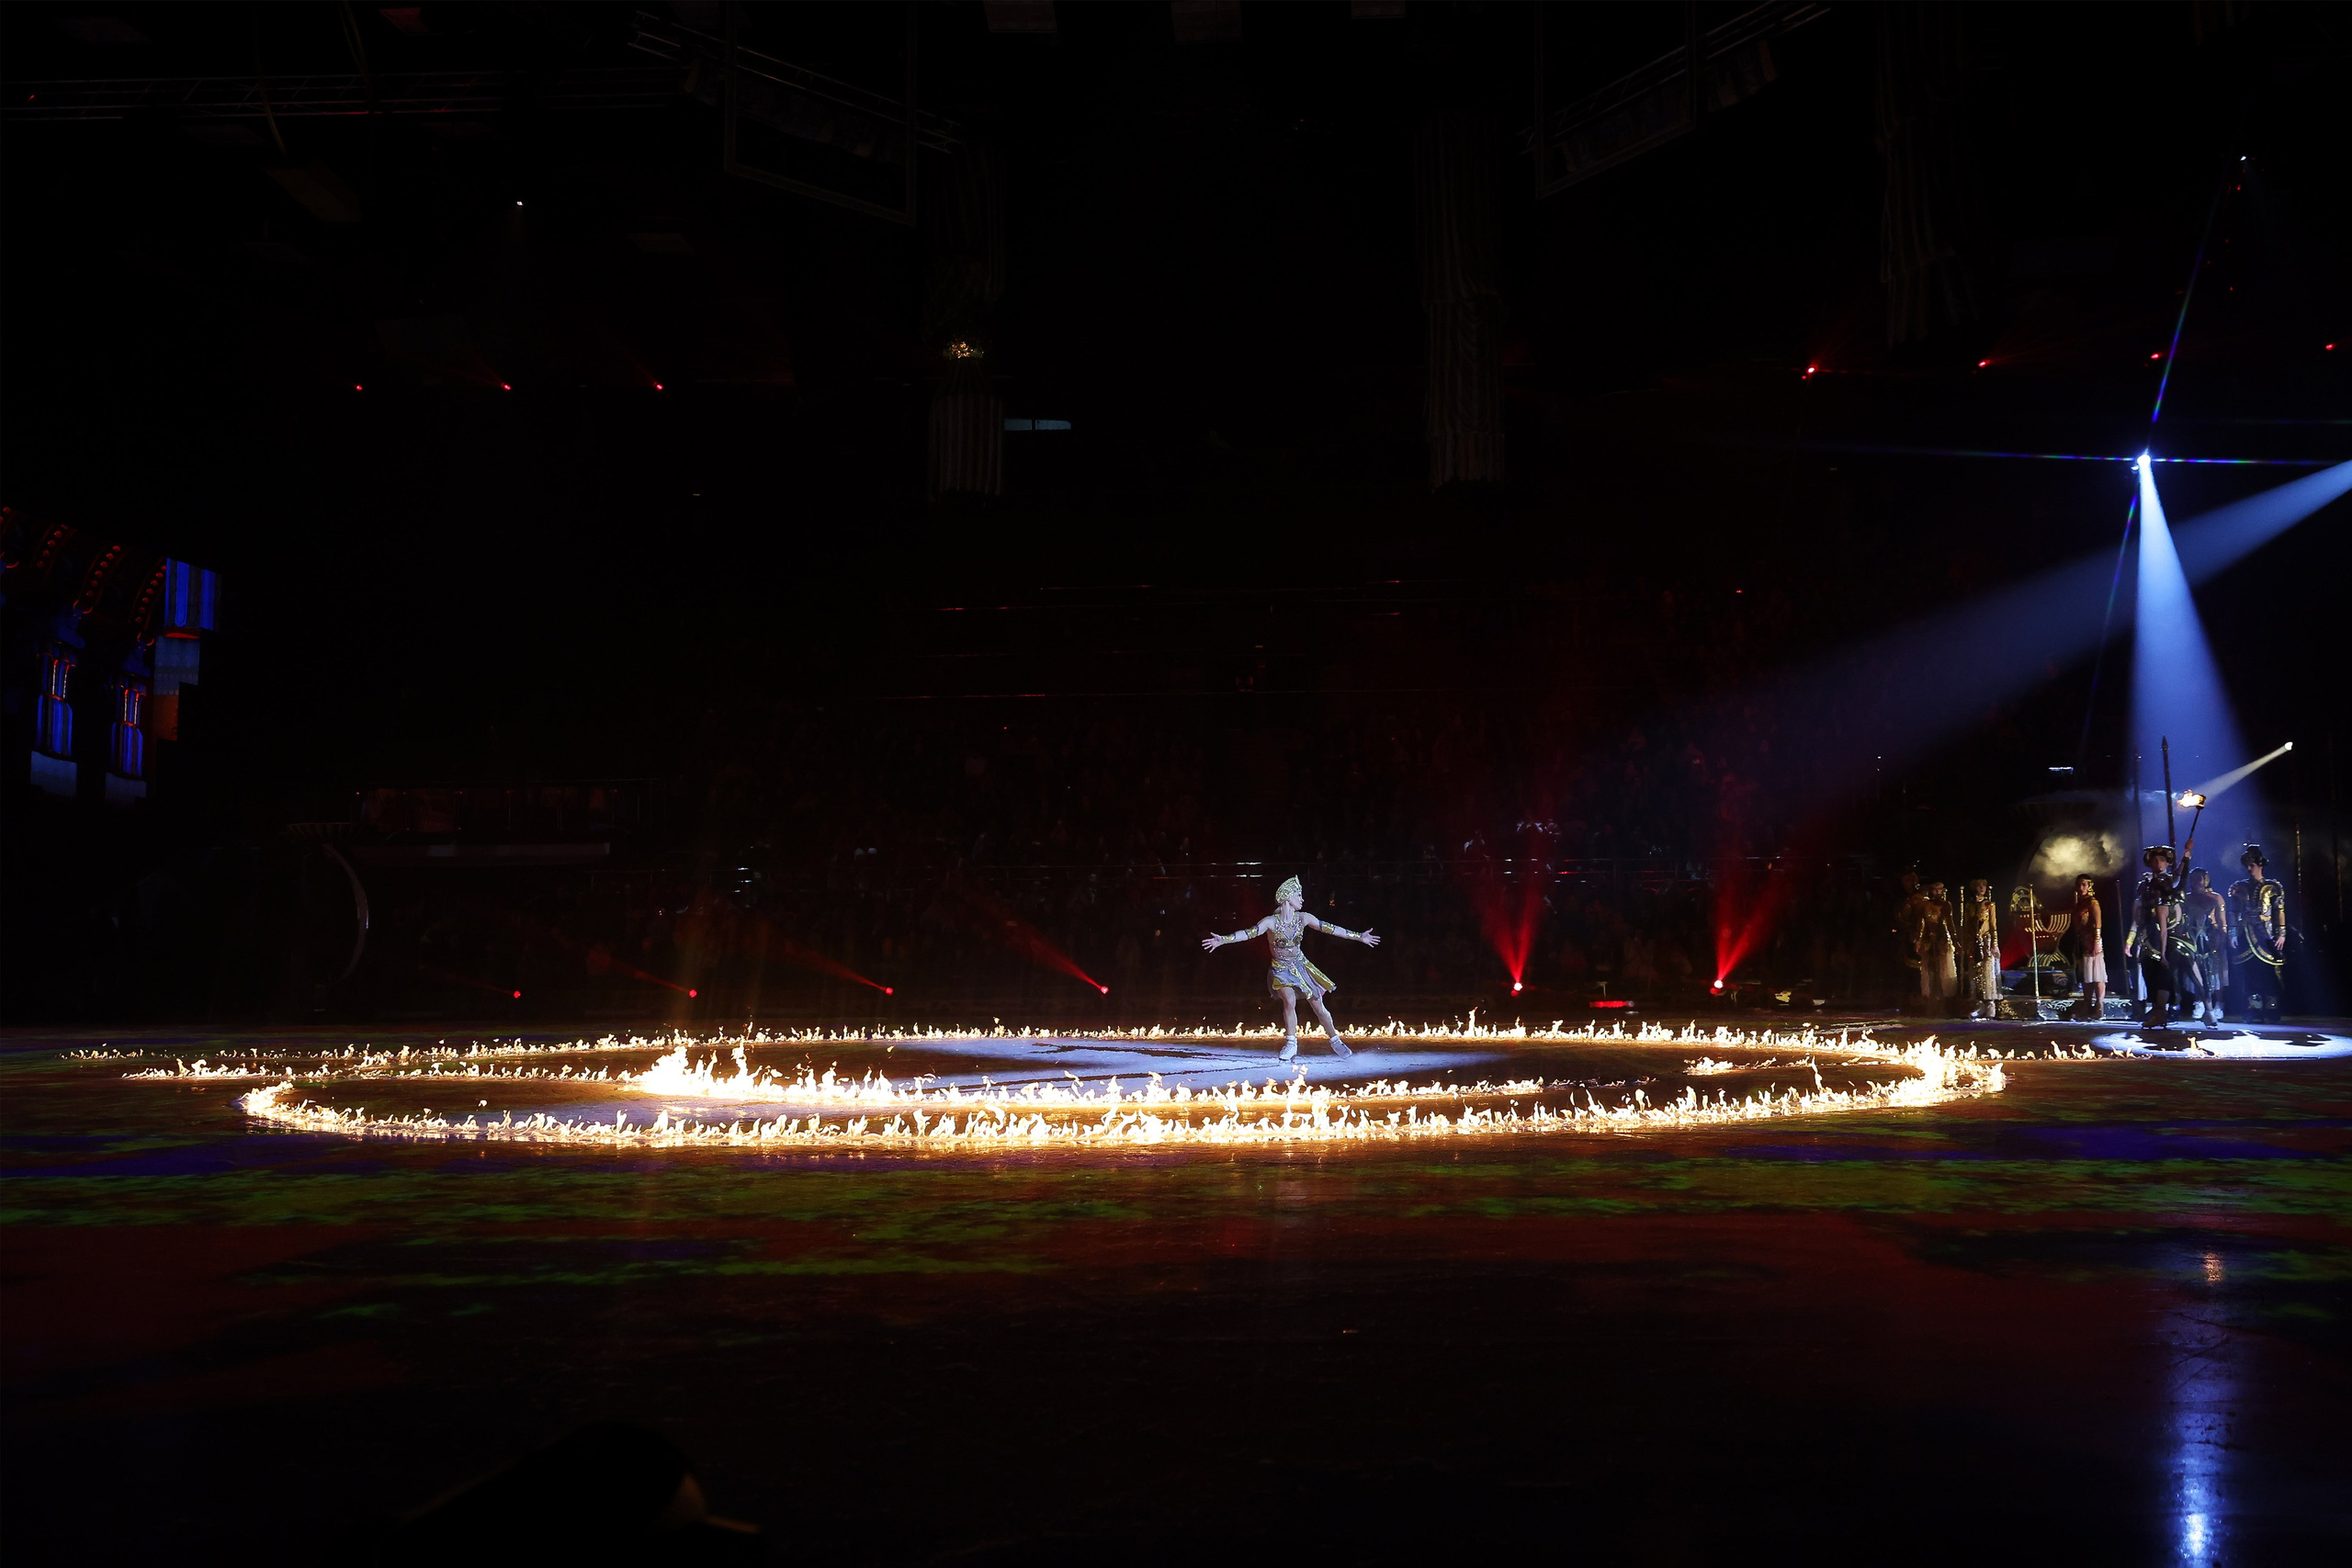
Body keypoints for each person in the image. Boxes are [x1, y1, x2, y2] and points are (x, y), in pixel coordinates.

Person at [1204, 875, 1381, 1061]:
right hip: (1280, 970)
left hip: (1301, 966)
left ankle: (1335, 1041)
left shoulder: (1304, 918)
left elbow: (1330, 928)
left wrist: (1359, 936)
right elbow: (1248, 933)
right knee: (1289, 1000)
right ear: (1287, 898)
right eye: (1298, 895)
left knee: (1318, 1006)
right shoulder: (1270, 922)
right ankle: (1291, 1043)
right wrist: (1223, 939)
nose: (1302, 899)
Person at [2228, 845, 2288, 1023]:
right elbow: (2233, 911)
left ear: (2260, 865)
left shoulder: (2273, 887)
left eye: (2252, 864)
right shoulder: (2239, 887)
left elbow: (2279, 910)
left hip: (2267, 935)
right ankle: (2254, 1009)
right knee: (2249, 972)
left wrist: (2281, 933)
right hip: (2246, 934)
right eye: (2247, 864)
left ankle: (2272, 1009)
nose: (2248, 868)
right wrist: (2232, 932)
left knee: (2270, 972)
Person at [2125, 845, 2181, 1030]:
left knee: (2164, 974)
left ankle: (2163, 1011)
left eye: (2162, 860)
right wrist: (2130, 941)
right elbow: (2137, 916)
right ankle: (2157, 1011)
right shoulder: (2144, 886)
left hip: (2169, 934)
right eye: (2155, 860)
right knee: (2149, 973)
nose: (2158, 863)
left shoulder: (2172, 882)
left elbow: (2180, 876)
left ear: (2167, 863)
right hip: (2148, 934)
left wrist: (2187, 856)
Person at [2180, 866, 2228, 1025]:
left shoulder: (2216, 898)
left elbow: (2222, 921)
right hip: (2192, 938)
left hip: (2211, 937)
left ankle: (2218, 1004)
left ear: (2206, 879)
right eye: (2193, 879)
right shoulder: (2186, 898)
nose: (2196, 882)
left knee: (2215, 971)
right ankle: (2199, 1003)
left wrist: (2222, 937)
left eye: (2199, 879)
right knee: (2196, 971)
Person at [1958, 877, 2003, 1019]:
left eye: (1984, 886)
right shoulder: (1969, 906)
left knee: (1987, 971)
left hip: (1986, 942)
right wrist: (1965, 944)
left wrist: (1994, 944)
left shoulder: (1990, 905)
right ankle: (1977, 1003)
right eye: (1979, 886)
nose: (1982, 888)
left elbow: (1993, 926)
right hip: (1973, 942)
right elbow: (1966, 927)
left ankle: (1990, 1004)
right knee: (1974, 971)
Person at [2069, 874, 2108, 1020]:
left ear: (2089, 886)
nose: (2081, 887)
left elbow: (2098, 924)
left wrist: (2096, 942)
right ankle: (2087, 1005)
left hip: (2093, 941)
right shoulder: (2079, 903)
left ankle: (2099, 1006)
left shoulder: (2093, 902)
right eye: (2079, 884)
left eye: (2084, 884)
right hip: (2083, 940)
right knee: (2087, 976)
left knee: (2097, 975)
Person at [1915, 879, 1957, 1007]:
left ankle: (1945, 998)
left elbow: (1950, 924)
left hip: (1942, 940)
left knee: (1943, 968)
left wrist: (1955, 941)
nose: (1937, 892)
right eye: (1934, 889)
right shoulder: (1924, 905)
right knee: (1928, 968)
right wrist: (1919, 940)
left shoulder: (1946, 905)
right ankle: (1928, 997)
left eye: (1939, 890)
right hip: (1928, 940)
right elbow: (1921, 924)